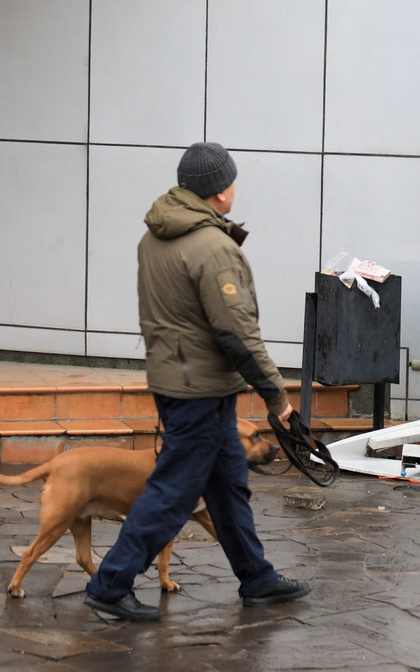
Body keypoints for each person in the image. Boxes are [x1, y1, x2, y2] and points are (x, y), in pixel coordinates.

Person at [84, 142, 311, 622]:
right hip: (201, 393)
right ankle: (110, 584)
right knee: (173, 493)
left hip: (177, 382)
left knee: (227, 486)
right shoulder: (214, 248)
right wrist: (277, 397)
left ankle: (257, 578)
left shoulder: (154, 237)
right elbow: (237, 333)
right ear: (222, 190)